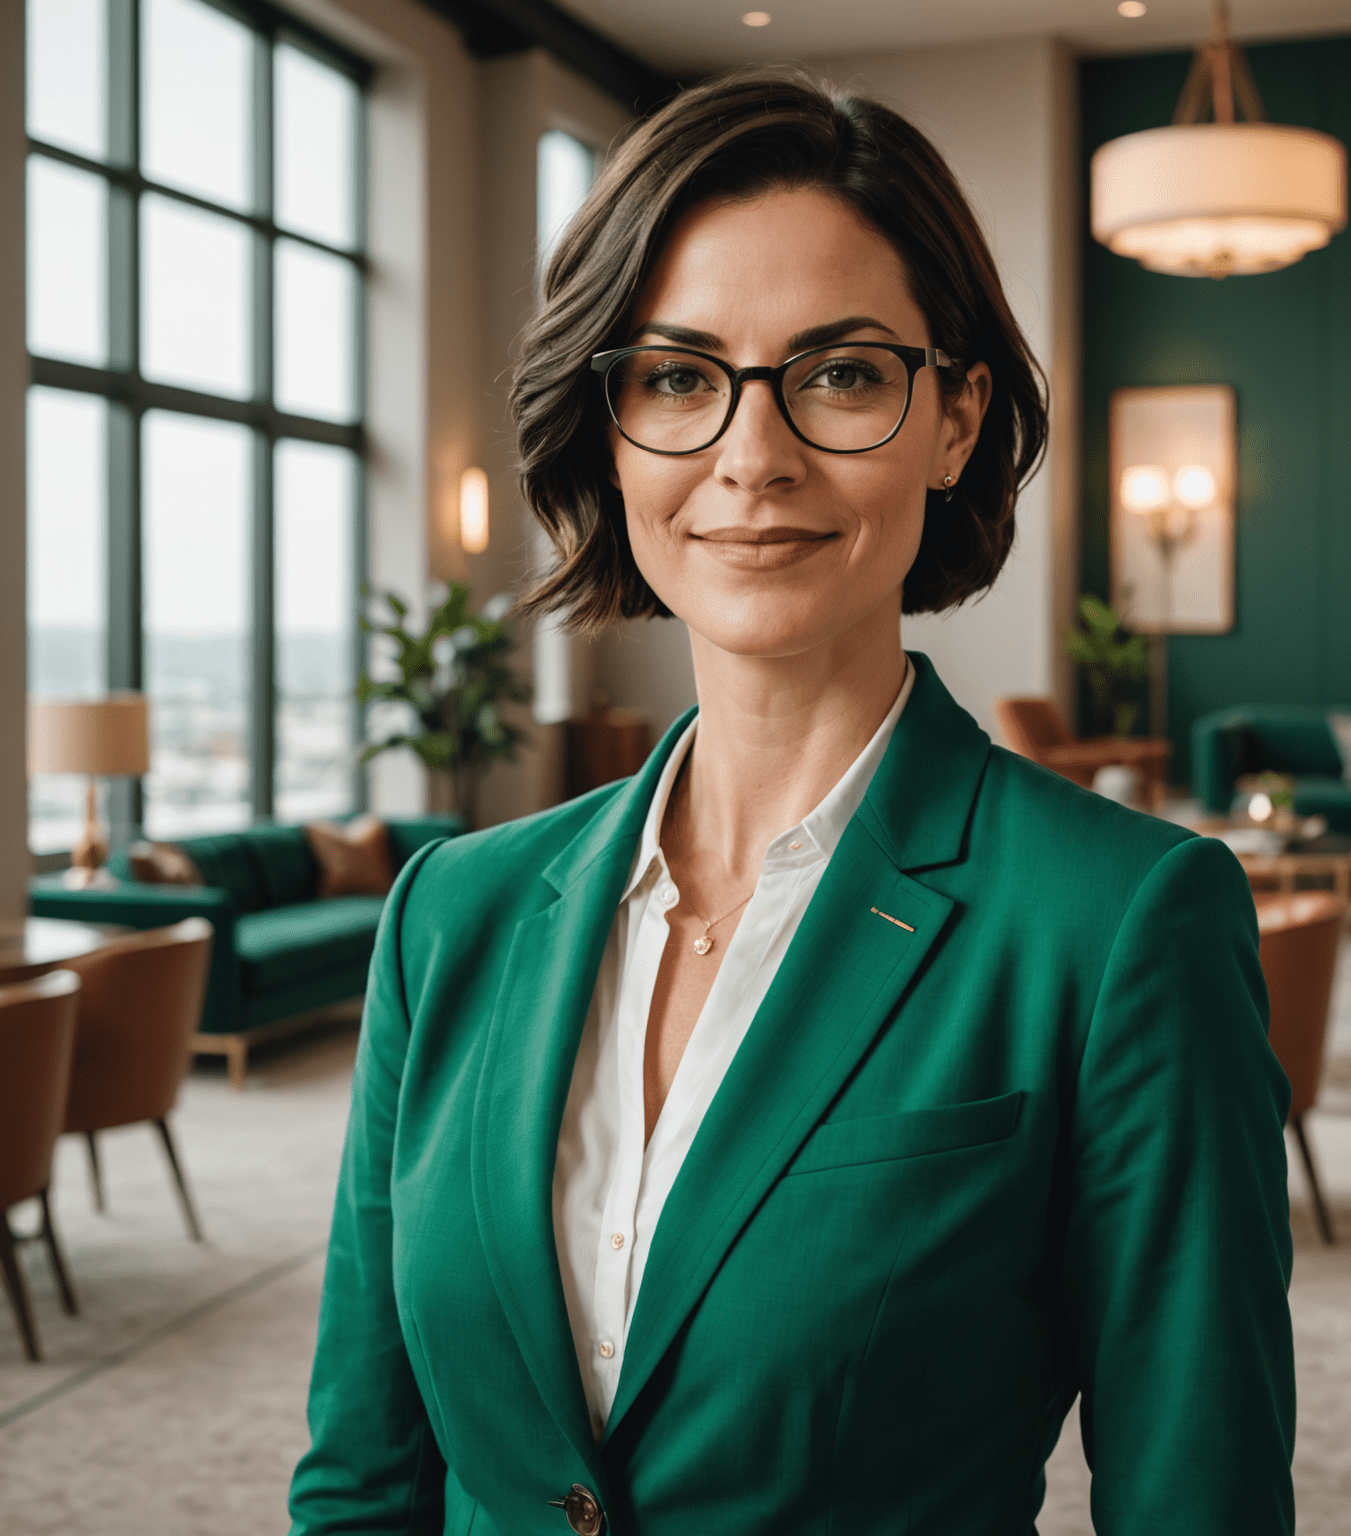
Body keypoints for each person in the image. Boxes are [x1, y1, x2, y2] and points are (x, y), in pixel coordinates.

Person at [289, 68, 1294, 1536]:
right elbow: (363, 1481)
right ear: (613, 427)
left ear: (953, 419)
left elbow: (1196, 1503)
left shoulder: (1120, 923)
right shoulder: (451, 914)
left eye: (838, 374)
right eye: (680, 378)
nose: (752, 457)